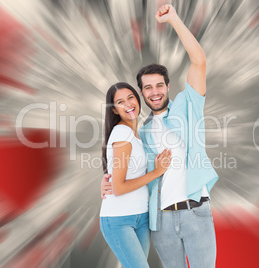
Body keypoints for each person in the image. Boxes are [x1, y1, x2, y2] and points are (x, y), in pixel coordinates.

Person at [101, 5, 219, 268]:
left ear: (167, 86)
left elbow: (199, 60)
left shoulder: (188, 105)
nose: (154, 92)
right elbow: (131, 169)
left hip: (196, 212)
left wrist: (174, 19)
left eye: (158, 85)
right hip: (161, 221)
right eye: (147, 88)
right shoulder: (139, 133)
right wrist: (107, 182)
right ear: (142, 93)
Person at [99, 82, 172, 268]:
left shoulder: (136, 135)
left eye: (130, 97)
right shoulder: (122, 133)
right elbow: (119, 187)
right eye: (120, 102)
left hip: (141, 216)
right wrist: (156, 172)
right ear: (114, 110)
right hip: (119, 219)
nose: (128, 104)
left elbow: (127, 173)